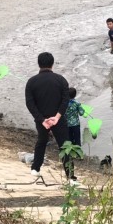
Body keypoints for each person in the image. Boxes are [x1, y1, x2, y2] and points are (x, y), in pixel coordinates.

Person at [25, 52, 80, 186]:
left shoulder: (31, 82)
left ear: (39, 64)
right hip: (58, 119)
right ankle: (70, 177)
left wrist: (41, 119)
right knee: (65, 146)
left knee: (42, 141)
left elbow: (30, 103)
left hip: (41, 120)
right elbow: (65, 100)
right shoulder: (61, 80)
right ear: (52, 64)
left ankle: (35, 168)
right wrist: (57, 116)